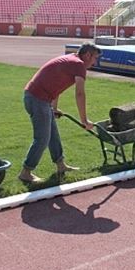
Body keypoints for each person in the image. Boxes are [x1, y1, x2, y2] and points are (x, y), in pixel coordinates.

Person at [19, 42, 101, 183]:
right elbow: (80, 94)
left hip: (36, 97)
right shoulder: (79, 64)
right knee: (42, 139)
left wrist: (54, 108)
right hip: (38, 99)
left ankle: (61, 165)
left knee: (53, 135)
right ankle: (26, 172)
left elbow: (55, 84)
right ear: (88, 55)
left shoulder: (70, 59)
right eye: (95, 58)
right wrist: (84, 120)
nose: (95, 62)